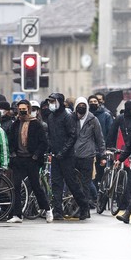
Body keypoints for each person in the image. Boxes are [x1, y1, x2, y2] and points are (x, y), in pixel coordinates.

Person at [46, 92, 91, 220]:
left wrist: (63, 152)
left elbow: (72, 136)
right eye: (50, 102)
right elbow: (50, 135)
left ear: (59, 102)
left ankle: (84, 207)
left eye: (53, 101)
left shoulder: (68, 116)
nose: (51, 104)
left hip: (67, 157)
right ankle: (58, 211)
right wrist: (50, 149)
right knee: (56, 184)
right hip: (55, 155)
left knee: (72, 183)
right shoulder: (50, 117)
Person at [7, 100, 51, 223]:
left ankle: (47, 209)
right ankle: (17, 214)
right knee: (16, 186)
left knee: (36, 186)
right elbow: (11, 141)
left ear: (29, 109)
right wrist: (13, 154)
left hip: (32, 159)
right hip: (19, 159)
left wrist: (36, 156)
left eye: (24, 109)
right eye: (19, 109)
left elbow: (43, 143)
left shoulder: (36, 124)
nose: (21, 112)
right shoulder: (15, 124)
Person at [73, 97, 104, 207]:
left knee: (86, 184)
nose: (81, 108)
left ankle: (84, 209)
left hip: (87, 156)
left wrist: (102, 154)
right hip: (73, 156)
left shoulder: (93, 120)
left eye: (83, 106)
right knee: (74, 184)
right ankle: (74, 206)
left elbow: (99, 138)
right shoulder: (72, 119)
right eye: (79, 106)